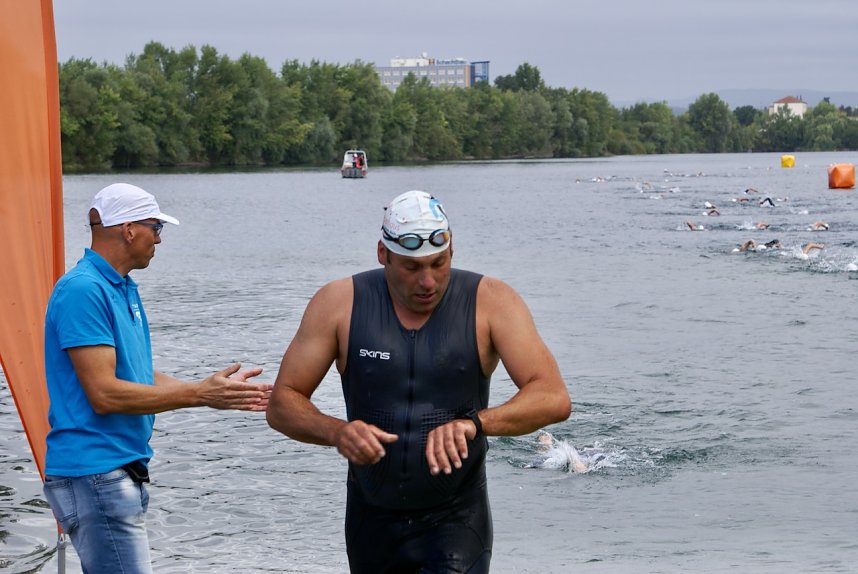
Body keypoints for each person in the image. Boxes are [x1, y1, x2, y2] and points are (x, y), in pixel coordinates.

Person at [267, 190, 571, 573]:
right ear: (383, 254)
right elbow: (282, 403)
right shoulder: (338, 304)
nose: (428, 281)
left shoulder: (492, 302)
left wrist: (475, 424)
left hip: (457, 519)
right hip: (370, 522)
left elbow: (553, 396)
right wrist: (337, 432)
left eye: (438, 263)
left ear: (452, 249)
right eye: (412, 267)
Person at [42, 183, 273, 574]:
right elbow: (104, 394)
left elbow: (137, 375)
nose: (159, 240)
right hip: (95, 472)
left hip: (113, 472)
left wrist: (216, 390)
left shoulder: (120, 287)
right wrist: (199, 395)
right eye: (156, 228)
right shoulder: (83, 290)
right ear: (129, 229)